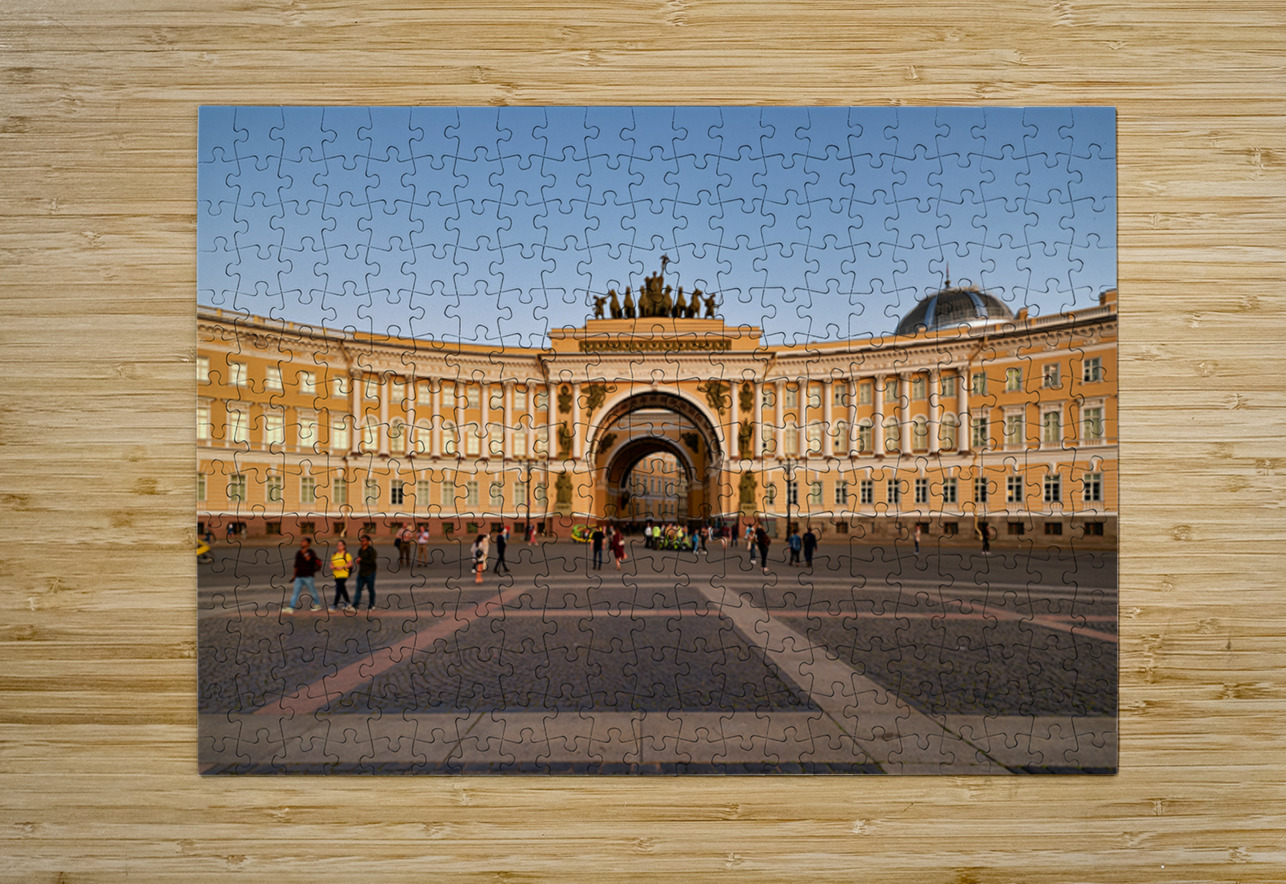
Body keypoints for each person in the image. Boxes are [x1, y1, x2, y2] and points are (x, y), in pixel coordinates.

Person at [285, 537, 322, 613]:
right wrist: (294, 575)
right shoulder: (298, 553)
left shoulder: (311, 552)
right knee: (295, 593)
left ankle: (317, 605)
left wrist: (304, 552)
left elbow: (308, 559)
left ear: (308, 543)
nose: (302, 543)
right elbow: (296, 565)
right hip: (299, 576)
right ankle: (291, 607)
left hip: (308, 576)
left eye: (304, 541)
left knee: (312, 591)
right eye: (301, 541)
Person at [353, 534, 378, 610]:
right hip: (361, 573)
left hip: (370, 573)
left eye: (364, 540)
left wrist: (361, 560)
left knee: (370, 589)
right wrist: (358, 561)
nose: (362, 542)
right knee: (358, 589)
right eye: (361, 540)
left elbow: (371, 561)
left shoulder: (372, 551)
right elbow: (360, 559)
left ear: (368, 541)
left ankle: (372, 604)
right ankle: (355, 605)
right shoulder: (360, 550)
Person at [330, 539, 354, 611]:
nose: (339, 546)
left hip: (343, 574)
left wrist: (342, 567)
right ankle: (348, 603)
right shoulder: (334, 554)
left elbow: (350, 564)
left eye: (340, 545)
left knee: (338, 589)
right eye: (338, 545)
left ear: (344, 546)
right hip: (336, 574)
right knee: (342, 589)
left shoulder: (346, 554)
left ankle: (334, 605)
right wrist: (334, 567)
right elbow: (331, 565)